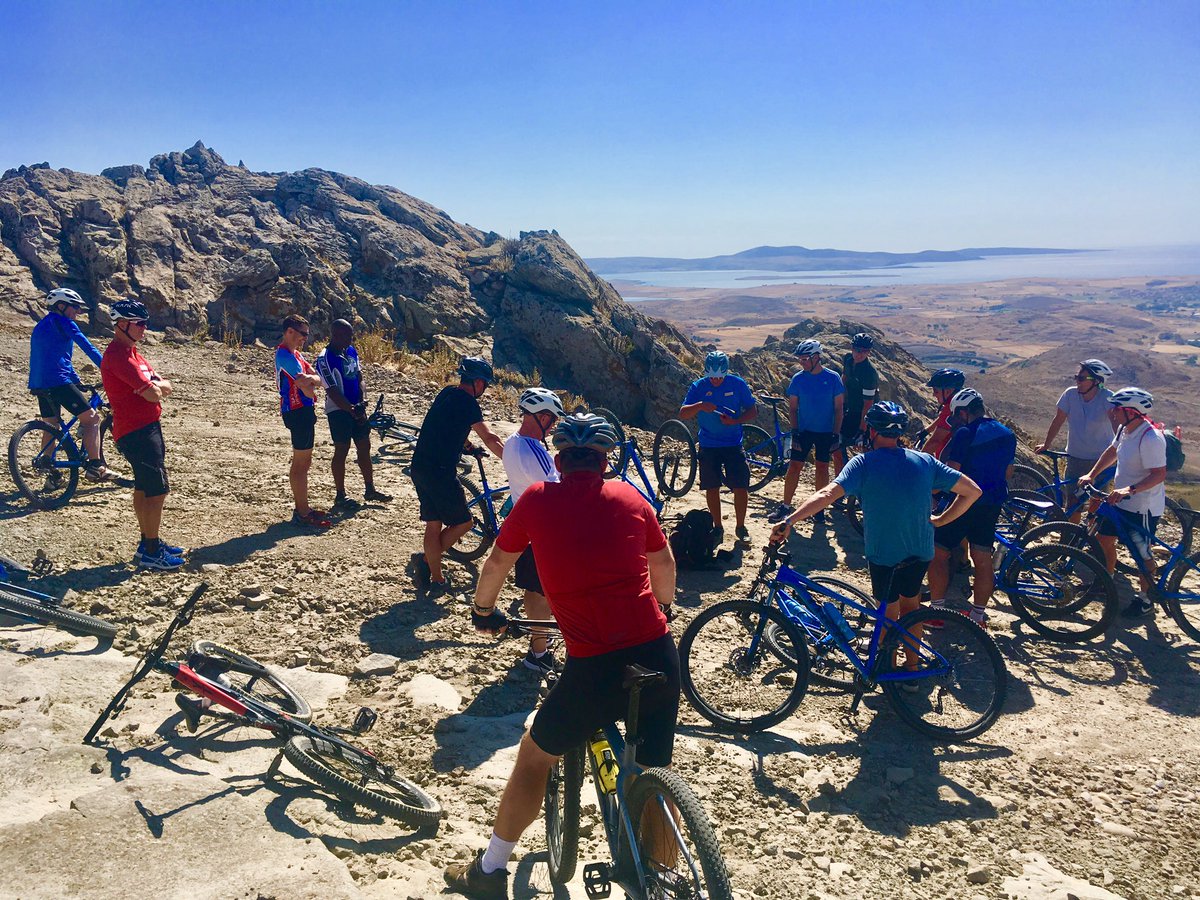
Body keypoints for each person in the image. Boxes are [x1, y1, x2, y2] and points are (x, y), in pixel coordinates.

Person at [444, 413, 678, 899]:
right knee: (655, 771)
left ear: (558, 460)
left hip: (594, 666)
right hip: (657, 652)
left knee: (534, 757)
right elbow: (663, 563)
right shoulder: (632, 497)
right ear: (605, 462)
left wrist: (483, 611)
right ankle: (663, 881)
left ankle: (490, 870)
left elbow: (498, 562)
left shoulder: (535, 500)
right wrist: (664, 607)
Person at [770, 401, 982, 642]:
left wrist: (790, 520)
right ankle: (911, 664)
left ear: (871, 431)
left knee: (888, 613)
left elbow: (827, 494)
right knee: (911, 609)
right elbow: (972, 491)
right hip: (920, 549)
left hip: (884, 552)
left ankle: (885, 662)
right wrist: (941, 520)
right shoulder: (925, 461)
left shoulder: (862, 464)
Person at [410, 356, 506, 595]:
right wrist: (511, 458)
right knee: (464, 523)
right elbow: (489, 437)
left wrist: (469, 447)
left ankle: (436, 577)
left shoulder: (447, 393)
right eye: (485, 384)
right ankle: (428, 562)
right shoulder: (469, 403)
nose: (485, 389)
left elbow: (447, 425)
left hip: (420, 465)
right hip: (441, 472)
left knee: (433, 524)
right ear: (477, 382)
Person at [100, 300, 184, 570]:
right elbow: (154, 393)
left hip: (145, 427)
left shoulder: (132, 353)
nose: (144, 328)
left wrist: (157, 386)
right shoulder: (119, 356)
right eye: (140, 324)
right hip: (137, 431)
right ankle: (151, 550)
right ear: (122, 324)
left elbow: (164, 385)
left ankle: (148, 542)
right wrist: (156, 387)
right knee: (157, 490)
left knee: (144, 486)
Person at [926, 388, 1016, 625]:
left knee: (938, 553)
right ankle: (977, 616)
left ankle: (936, 614)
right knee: (982, 559)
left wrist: (932, 491)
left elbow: (952, 473)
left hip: (963, 502)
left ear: (964, 412)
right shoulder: (1007, 433)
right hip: (992, 503)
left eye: (956, 414)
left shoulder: (965, 433)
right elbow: (1008, 472)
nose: (955, 419)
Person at [1078, 387, 1167, 619]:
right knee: (1103, 539)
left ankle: (1146, 600)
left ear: (1132, 411)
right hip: (1119, 501)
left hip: (1142, 506)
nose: (1113, 412)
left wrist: (1130, 490)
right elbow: (1112, 451)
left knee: (1142, 556)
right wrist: (1092, 474)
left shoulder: (1151, 438)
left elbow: (1158, 474)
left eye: (1117, 408)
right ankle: (1105, 581)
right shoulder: (1124, 429)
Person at [501, 387, 565, 676]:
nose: (552, 427)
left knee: (535, 590)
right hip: (542, 530)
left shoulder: (512, 442)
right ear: (542, 417)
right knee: (541, 593)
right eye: (552, 420)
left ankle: (540, 643)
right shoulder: (532, 449)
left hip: (526, 524)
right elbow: (555, 488)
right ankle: (539, 654)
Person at [28, 288, 113, 482]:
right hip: (58, 382)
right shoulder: (64, 322)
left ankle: (51, 472)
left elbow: (58, 358)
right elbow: (87, 347)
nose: (78, 311)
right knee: (91, 419)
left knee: (51, 424)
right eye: (75, 307)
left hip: (38, 383)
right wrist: (108, 370)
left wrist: (76, 381)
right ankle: (95, 466)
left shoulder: (41, 325)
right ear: (61, 306)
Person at [677, 350, 757, 544]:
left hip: (733, 444)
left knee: (740, 486)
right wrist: (700, 405)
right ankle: (717, 527)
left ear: (726, 372)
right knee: (712, 487)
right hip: (708, 444)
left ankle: (740, 526)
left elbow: (752, 410)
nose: (715, 381)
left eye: (719, 377)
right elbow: (683, 413)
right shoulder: (698, 386)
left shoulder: (737, 384)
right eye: (712, 377)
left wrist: (735, 421)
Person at [315, 319, 392, 510]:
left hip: (356, 407)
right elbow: (331, 389)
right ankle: (340, 494)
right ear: (336, 335)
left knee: (364, 445)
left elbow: (359, 377)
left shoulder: (351, 351)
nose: (351, 339)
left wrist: (362, 402)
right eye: (347, 336)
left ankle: (370, 489)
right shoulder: (324, 359)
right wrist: (350, 409)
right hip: (338, 410)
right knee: (342, 448)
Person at [768, 339, 844, 526]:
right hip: (804, 431)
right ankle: (786, 506)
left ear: (816, 357)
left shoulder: (833, 378)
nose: (801, 363)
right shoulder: (798, 379)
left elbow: (839, 409)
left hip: (825, 432)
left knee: (822, 468)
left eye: (804, 359)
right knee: (794, 466)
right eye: (800, 359)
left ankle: (818, 509)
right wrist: (795, 431)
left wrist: (836, 434)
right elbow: (793, 408)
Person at [1035, 358, 1116, 520]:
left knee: (1097, 500)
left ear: (1097, 381)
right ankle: (1070, 532)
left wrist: (1123, 450)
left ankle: (1088, 531)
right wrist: (1047, 444)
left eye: (1081, 378)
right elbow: (1058, 420)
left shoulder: (1108, 398)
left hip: (1101, 459)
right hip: (1076, 457)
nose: (1077, 381)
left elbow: (1117, 426)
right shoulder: (1070, 394)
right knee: (1073, 502)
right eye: (1076, 377)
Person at [275, 314, 329, 528]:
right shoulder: (285, 356)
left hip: (302, 411)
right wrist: (311, 385)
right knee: (300, 463)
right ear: (289, 331)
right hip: (297, 412)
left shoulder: (295, 354)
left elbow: (316, 378)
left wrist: (312, 382)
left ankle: (303, 508)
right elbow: (306, 385)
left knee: (304, 462)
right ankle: (302, 511)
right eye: (303, 334)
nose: (305, 338)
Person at [833, 332, 880, 476]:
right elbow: (844, 380)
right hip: (850, 409)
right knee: (836, 446)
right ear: (852, 348)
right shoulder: (848, 359)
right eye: (857, 350)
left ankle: (869, 482)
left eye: (865, 351)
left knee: (866, 449)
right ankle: (841, 481)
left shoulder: (869, 373)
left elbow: (868, 405)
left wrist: (862, 430)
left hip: (866, 414)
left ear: (869, 352)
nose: (860, 354)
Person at [923, 368, 966, 459]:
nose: (934, 394)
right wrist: (926, 431)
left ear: (948, 391)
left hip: (949, 463)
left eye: (936, 391)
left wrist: (919, 460)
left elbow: (935, 441)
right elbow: (943, 419)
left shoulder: (951, 408)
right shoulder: (961, 404)